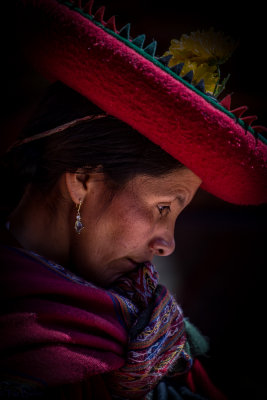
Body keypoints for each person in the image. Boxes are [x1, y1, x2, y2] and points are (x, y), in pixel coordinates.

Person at [0, 0, 266, 399]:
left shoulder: (150, 335)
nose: (167, 242)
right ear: (83, 182)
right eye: (163, 207)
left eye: (176, 214)